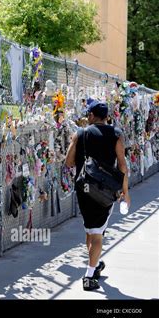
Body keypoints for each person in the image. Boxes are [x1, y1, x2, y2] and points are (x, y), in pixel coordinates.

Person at [65, 100, 130, 291]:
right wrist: (125, 192)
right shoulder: (116, 135)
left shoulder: (81, 134)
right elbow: (123, 165)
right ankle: (89, 276)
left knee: (91, 231)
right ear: (106, 117)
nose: (87, 117)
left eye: (88, 115)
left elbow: (68, 162)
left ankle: (95, 265)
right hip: (105, 190)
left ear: (92, 116)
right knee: (98, 234)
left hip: (83, 189)